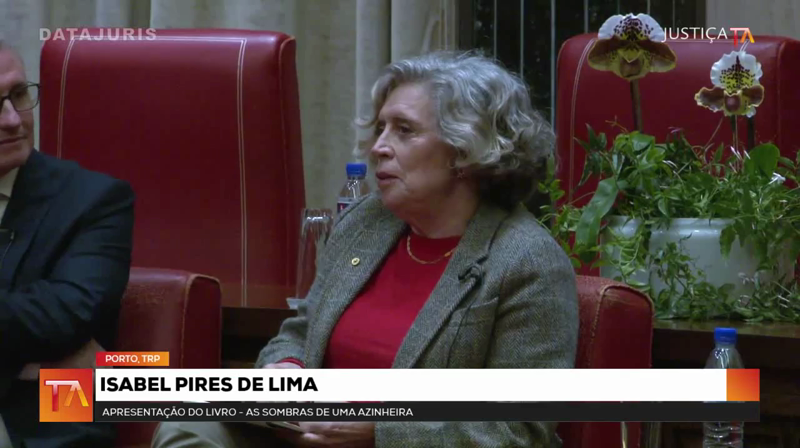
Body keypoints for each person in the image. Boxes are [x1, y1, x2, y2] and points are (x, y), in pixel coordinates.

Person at [153, 51, 578, 447]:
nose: (378, 147)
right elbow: (300, 332)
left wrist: (379, 429)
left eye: (404, 130)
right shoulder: (366, 222)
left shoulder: (526, 261)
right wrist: (286, 370)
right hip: (307, 434)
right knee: (188, 425)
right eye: (380, 129)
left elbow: (520, 426)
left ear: (465, 150)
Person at [0, 41, 135, 447]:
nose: (12, 119)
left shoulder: (93, 199)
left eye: (19, 94)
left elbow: (65, 317)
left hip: (43, 419)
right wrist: (17, 362)